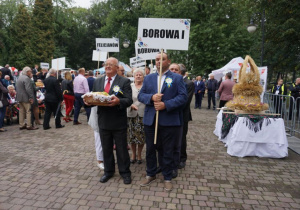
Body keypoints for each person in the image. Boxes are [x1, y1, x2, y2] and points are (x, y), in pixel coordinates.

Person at [138, 52, 187, 191]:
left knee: (167, 150)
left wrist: (166, 105)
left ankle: (167, 176)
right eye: (157, 59)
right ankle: (150, 174)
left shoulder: (177, 78)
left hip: (169, 120)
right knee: (151, 149)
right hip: (151, 120)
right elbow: (141, 95)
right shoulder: (149, 78)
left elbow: (183, 97)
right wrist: (152, 98)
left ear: (168, 61)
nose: (159, 62)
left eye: (162, 59)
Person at [85, 57, 133, 185]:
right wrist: (89, 102)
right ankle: (108, 171)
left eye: (111, 64)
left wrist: (119, 101)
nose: (108, 66)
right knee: (106, 149)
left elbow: (129, 100)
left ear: (117, 67)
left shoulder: (124, 81)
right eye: (106, 64)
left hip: (118, 122)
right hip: (103, 121)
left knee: (122, 149)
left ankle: (125, 173)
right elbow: (96, 99)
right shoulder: (98, 81)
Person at [178, 64, 194, 170]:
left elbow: (185, 101)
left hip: (182, 115)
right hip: (172, 114)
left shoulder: (188, 83)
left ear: (181, 72)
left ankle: (182, 159)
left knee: (182, 137)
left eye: (176, 70)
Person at [127, 68, 146, 164]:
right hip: (131, 115)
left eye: (140, 75)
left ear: (143, 77)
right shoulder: (129, 86)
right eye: (136, 75)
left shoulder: (146, 87)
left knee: (141, 136)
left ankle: (139, 155)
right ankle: (133, 154)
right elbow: (126, 99)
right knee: (132, 136)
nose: (138, 76)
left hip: (143, 114)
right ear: (133, 76)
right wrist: (130, 106)